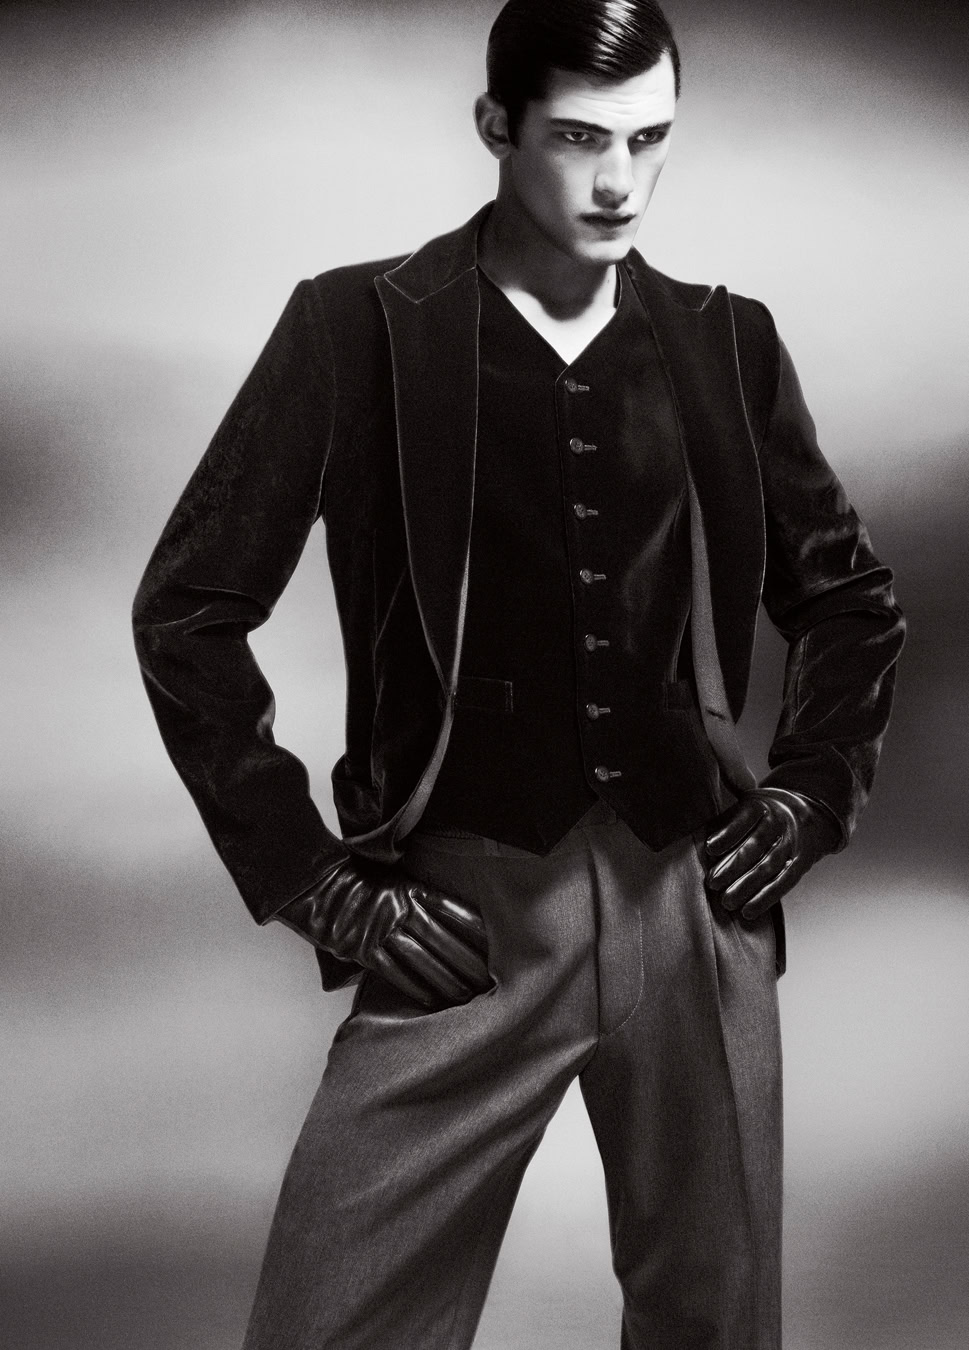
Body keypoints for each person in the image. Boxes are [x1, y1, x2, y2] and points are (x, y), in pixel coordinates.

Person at [132, 1, 905, 1345]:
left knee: (717, 1325)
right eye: (579, 138)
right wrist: (312, 880)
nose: (619, 182)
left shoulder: (726, 342)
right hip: (461, 910)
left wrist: (813, 791)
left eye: (649, 139)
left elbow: (847, 601)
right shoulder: (356, 327)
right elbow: (188, 610)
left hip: (693, 899)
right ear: (495, 125)